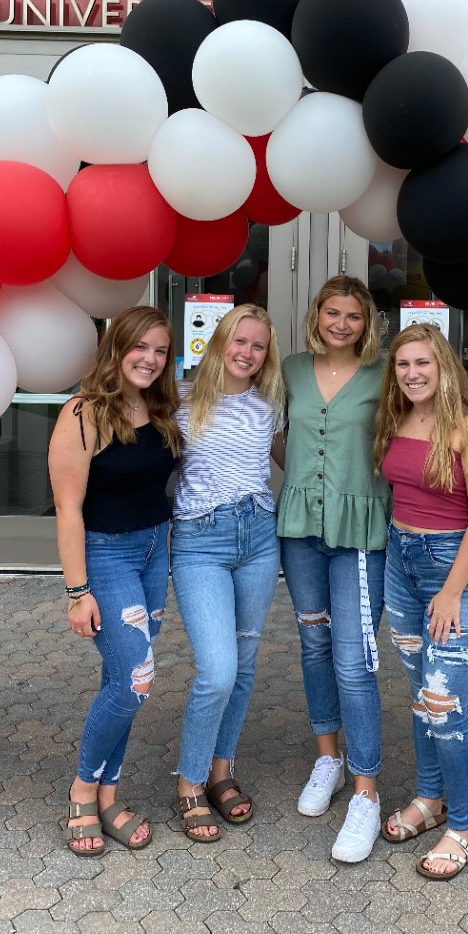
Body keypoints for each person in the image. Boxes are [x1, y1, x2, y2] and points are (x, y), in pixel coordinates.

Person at [374, 323, 468, 880]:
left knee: (442, 700)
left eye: (422, 363)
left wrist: (452, 591)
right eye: (403, 364)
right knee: (419, 697)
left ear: (444, 367)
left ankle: (464, 827)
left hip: (454, 569)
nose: (412, 374)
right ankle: (429, 799)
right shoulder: (398, 418)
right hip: (401, 562)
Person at [48, 306, 180, 856]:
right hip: (106, 555)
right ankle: (83, 791)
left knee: (122, 678)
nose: (150, 359)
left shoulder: (159, 407)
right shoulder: (83, 413)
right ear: (116, 348)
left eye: (161, 350)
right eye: (140, 347)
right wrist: (77, 593)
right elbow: (67, 509)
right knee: (135, 680)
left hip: (153, 551)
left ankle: (108, 795)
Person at [274, 276, 390, 863]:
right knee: (314, 645)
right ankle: (329, 760)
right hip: (300, 532)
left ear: (367, 322)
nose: (341, 324)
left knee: (354, 660)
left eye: (353, 315)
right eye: (332, 313)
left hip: (360, 534)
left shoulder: (386, 372)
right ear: (316, 315)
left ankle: (367, 792)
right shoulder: (292, 369)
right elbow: (277, 436)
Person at [171, 302, 286, 842]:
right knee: (217, 671)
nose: (247, 352)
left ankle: (222, 771)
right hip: (200, 541)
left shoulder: (270, 404)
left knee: (242, 667)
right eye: (239, 341)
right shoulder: (180, 398)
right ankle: (189, 781)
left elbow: (299, 459)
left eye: (258, 346)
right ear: (219, 341)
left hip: (258, 537)